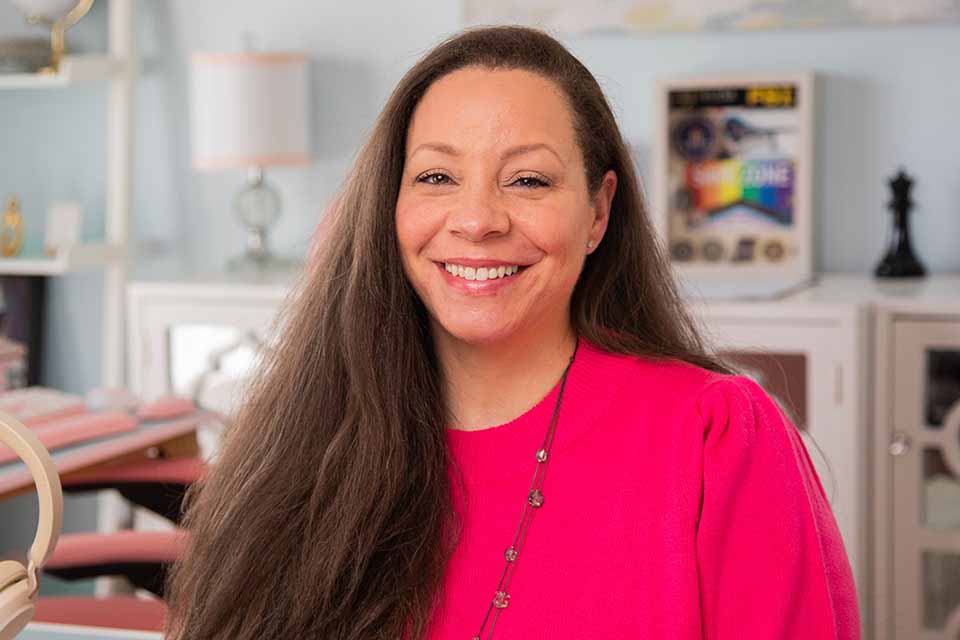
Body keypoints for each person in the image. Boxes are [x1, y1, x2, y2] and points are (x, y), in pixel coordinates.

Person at [165, 25, 861, 640]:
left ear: (597, 212)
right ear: (391, 204)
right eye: (437, 175)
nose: (477, 220)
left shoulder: (718, 437)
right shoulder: (305, 439)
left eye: (528, 180)